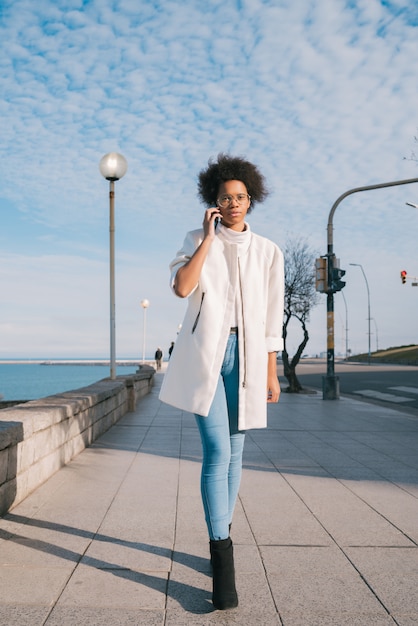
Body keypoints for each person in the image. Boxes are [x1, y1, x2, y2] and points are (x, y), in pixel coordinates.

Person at [159, 154, 284, 610]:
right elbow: (181, 288)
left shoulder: (269, 252)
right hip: (208, 357)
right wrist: (208, 240)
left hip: (250, 360)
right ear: (213, 201)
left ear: (251, 200)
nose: (234, 204)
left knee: (237, 454)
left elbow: (273, 318)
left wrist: (271, 371)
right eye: (225, 198)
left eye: (241, 197)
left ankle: (220, 535)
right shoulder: (197, 239)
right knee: (218, 452)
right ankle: (223, 561)